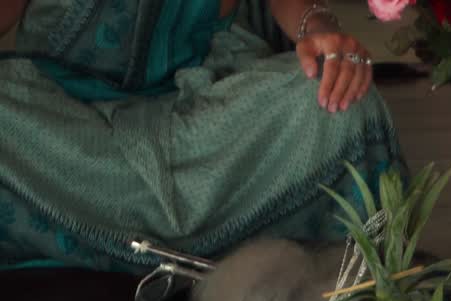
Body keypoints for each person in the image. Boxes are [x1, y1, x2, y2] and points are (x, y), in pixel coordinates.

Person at [0, 0, 405, 272]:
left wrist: (321, 33)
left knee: (340, 103)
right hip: (61, 127)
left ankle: (91, 239)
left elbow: (300, 15)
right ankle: (222, 247)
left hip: (201, 113)